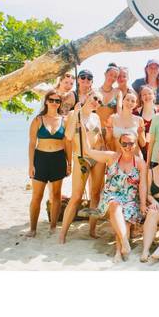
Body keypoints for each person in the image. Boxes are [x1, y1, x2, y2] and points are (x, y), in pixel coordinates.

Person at [80, 123, 147, 262]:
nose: (128, 147)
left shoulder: (140, 163)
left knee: (125, 220)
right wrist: (81, 128)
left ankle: (119, 251)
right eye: (125, 144)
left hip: (130, 199)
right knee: (115, 205)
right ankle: (125, 242)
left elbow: (143, 186)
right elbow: (87, 151)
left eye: (131, 144)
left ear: (135, 144)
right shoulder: (111, 157)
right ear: (120, 143)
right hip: (112, 195)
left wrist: (142, 204)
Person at [59, 91, 106, 243]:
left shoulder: (96, 117)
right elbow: (68, 136)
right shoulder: (74, 113)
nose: (96, 102)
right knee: (76, 197)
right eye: (95, 98)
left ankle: (92, 230)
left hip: (97, 158)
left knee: (95, 194)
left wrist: (103, 153)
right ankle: (62, 235)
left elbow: (99, 138)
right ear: (87, 97)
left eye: (99, 101)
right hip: (81, 158)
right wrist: (76, 115)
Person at [27, 90, 71, 237]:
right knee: (37, 196)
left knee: (56, 195)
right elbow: (32, 144)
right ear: (46, 101)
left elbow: (67, 144)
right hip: (40, 159)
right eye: (51, 100)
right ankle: (33, 229)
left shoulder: (64, 120)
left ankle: (53, 226)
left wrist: (69, 162)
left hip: (58, 159)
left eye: (57, 101)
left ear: (60, 104)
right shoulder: (38, 120)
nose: (54, 103)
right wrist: (31, 165)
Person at [106, 90, 145, 155]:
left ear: (136, 104)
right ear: (122, 101)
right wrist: (109, 133)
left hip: (135, 156)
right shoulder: (112, 118)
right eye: (127, 100)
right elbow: (107, 140)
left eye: (133, 101)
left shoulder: (139, 120)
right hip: (118, 156)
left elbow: (143, 144)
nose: (130, 102)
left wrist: (140, 133)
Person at [97, 63, 122, 145]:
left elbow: (119, 112)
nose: (112, 78)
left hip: (111, 130)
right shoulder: (95, 91)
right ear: (105, 74)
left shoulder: (118, 92)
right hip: (96, 130)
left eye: (115, 76)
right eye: (110, 74)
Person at [134, 85, 157, 161]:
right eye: (144, 94)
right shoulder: (135, 113)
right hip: (139, 151)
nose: (147, 96)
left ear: (154, 95)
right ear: (141, 97)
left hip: (156, 151)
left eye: (150, 93)